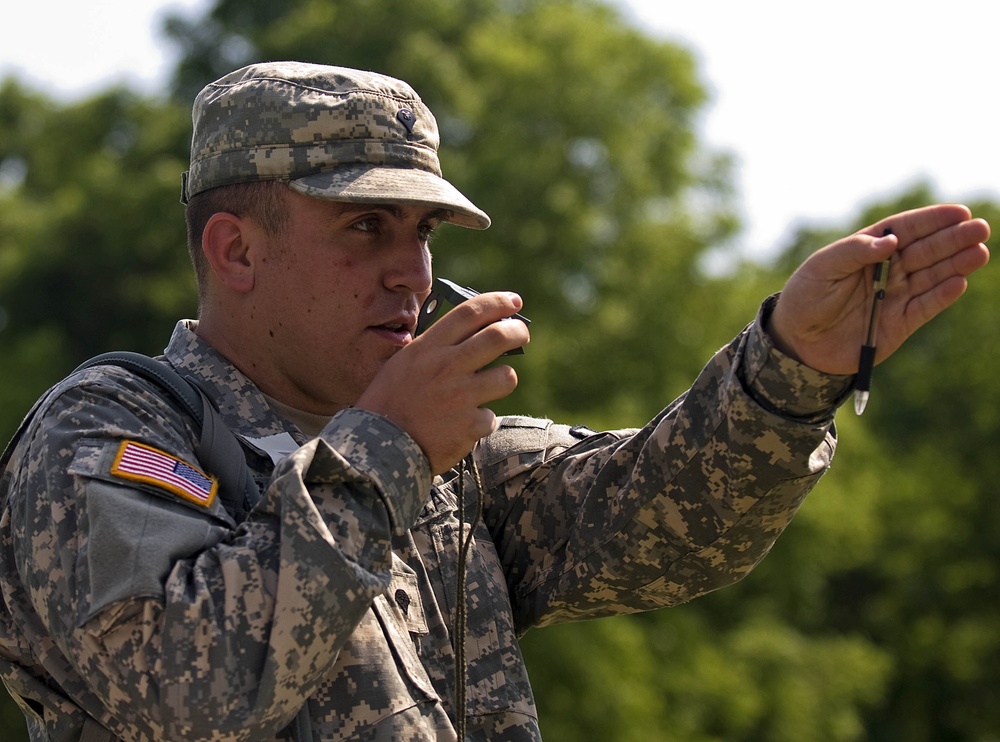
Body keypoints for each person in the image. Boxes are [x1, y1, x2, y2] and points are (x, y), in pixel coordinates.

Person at [0, 60, 989, 742]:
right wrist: (384, 448)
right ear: (237, 250)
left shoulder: (435, 451)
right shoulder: (109, 433)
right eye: (368, 226)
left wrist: (789, 369)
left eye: (425, 231)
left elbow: (659, 521)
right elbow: (182, 687)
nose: (412, 275)